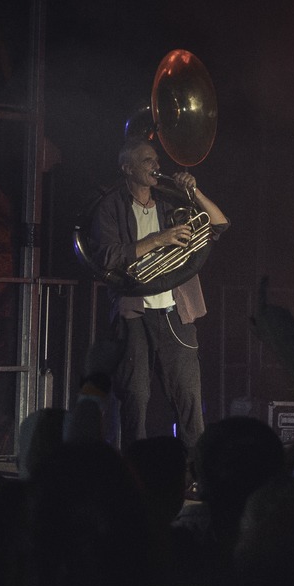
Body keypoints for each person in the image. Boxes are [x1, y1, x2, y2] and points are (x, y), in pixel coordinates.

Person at [90, 137, 230, 450]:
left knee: (188, 396)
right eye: (147, 161)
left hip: (176, 311)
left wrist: (194, 192)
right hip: (134, 312)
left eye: (156, 160)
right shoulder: (111, 206)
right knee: (135, 396)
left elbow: (219, 224)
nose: (156, 166)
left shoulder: (171, 201)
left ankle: (194, 465)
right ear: (127, 168)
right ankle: (133, 465)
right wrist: (159, 239)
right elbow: (108, 257)